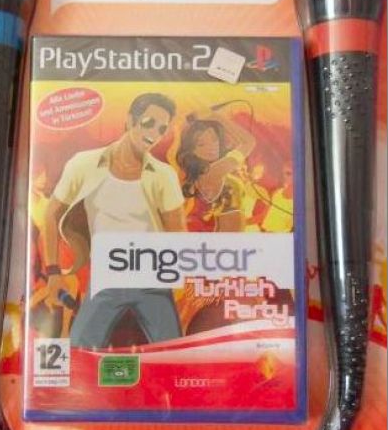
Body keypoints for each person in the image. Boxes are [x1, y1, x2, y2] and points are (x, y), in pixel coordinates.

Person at [31, 93, 186, 348]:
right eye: (149, 123)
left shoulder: (163, 175)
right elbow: (52, 213)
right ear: (130, 120)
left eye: (162, 129)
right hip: (106, 276)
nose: (154, 133)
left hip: (152, 279)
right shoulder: (84, 164)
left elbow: (178, 236)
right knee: (78, 350)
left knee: (174, 355)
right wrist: (54, 272)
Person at [176, 104, 256, 232]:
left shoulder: (201, 173)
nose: (212, 147)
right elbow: (248, 142)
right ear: (192, 151)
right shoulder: (212, 172)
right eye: (201, 144)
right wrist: (216, 117)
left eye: (214, 139)